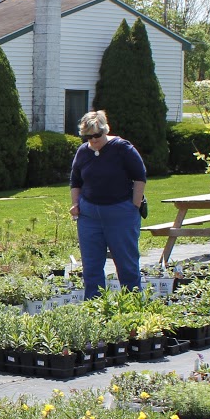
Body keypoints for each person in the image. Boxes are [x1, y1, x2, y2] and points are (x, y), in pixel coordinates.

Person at [67, 110, 147, 299]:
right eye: (88, 136)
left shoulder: (122, 148)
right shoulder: (83, 152)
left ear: (105, 130)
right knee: (91, 266)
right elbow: (75, 181)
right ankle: (95, 309)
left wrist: (134, 205)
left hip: (120, 214)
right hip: (89, 217)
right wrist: (75, 203)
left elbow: (140, 176)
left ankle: (132, 306)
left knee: (127, 265)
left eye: (97, 135)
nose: (93, 140)